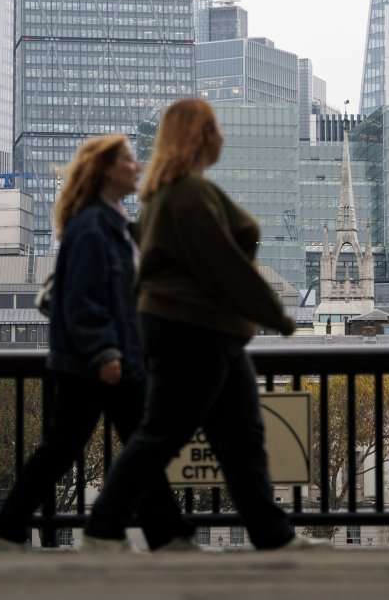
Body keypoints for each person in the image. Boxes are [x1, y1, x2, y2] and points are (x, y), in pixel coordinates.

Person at [81, 99, 316, 552]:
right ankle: (102, 527)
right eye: (216, 128)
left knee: (241, 437)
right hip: (192, 331)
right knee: (164, 432)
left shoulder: (177, 192)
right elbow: (225, 265)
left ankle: (273, 535)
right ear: (201, 136)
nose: (223, 136)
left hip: (209, 331)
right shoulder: (185, 194)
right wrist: (278, 316)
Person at [0, 136, 195, 552]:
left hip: (114, 358)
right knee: (81, 447)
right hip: (95, 361)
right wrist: (105, 352)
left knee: (130, 444)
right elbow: (84, 299)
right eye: (129, 161)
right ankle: (13, 532)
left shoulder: (115, 223)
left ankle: (163, 535)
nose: (137, 167)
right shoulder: (91, 226)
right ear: (106, 170)